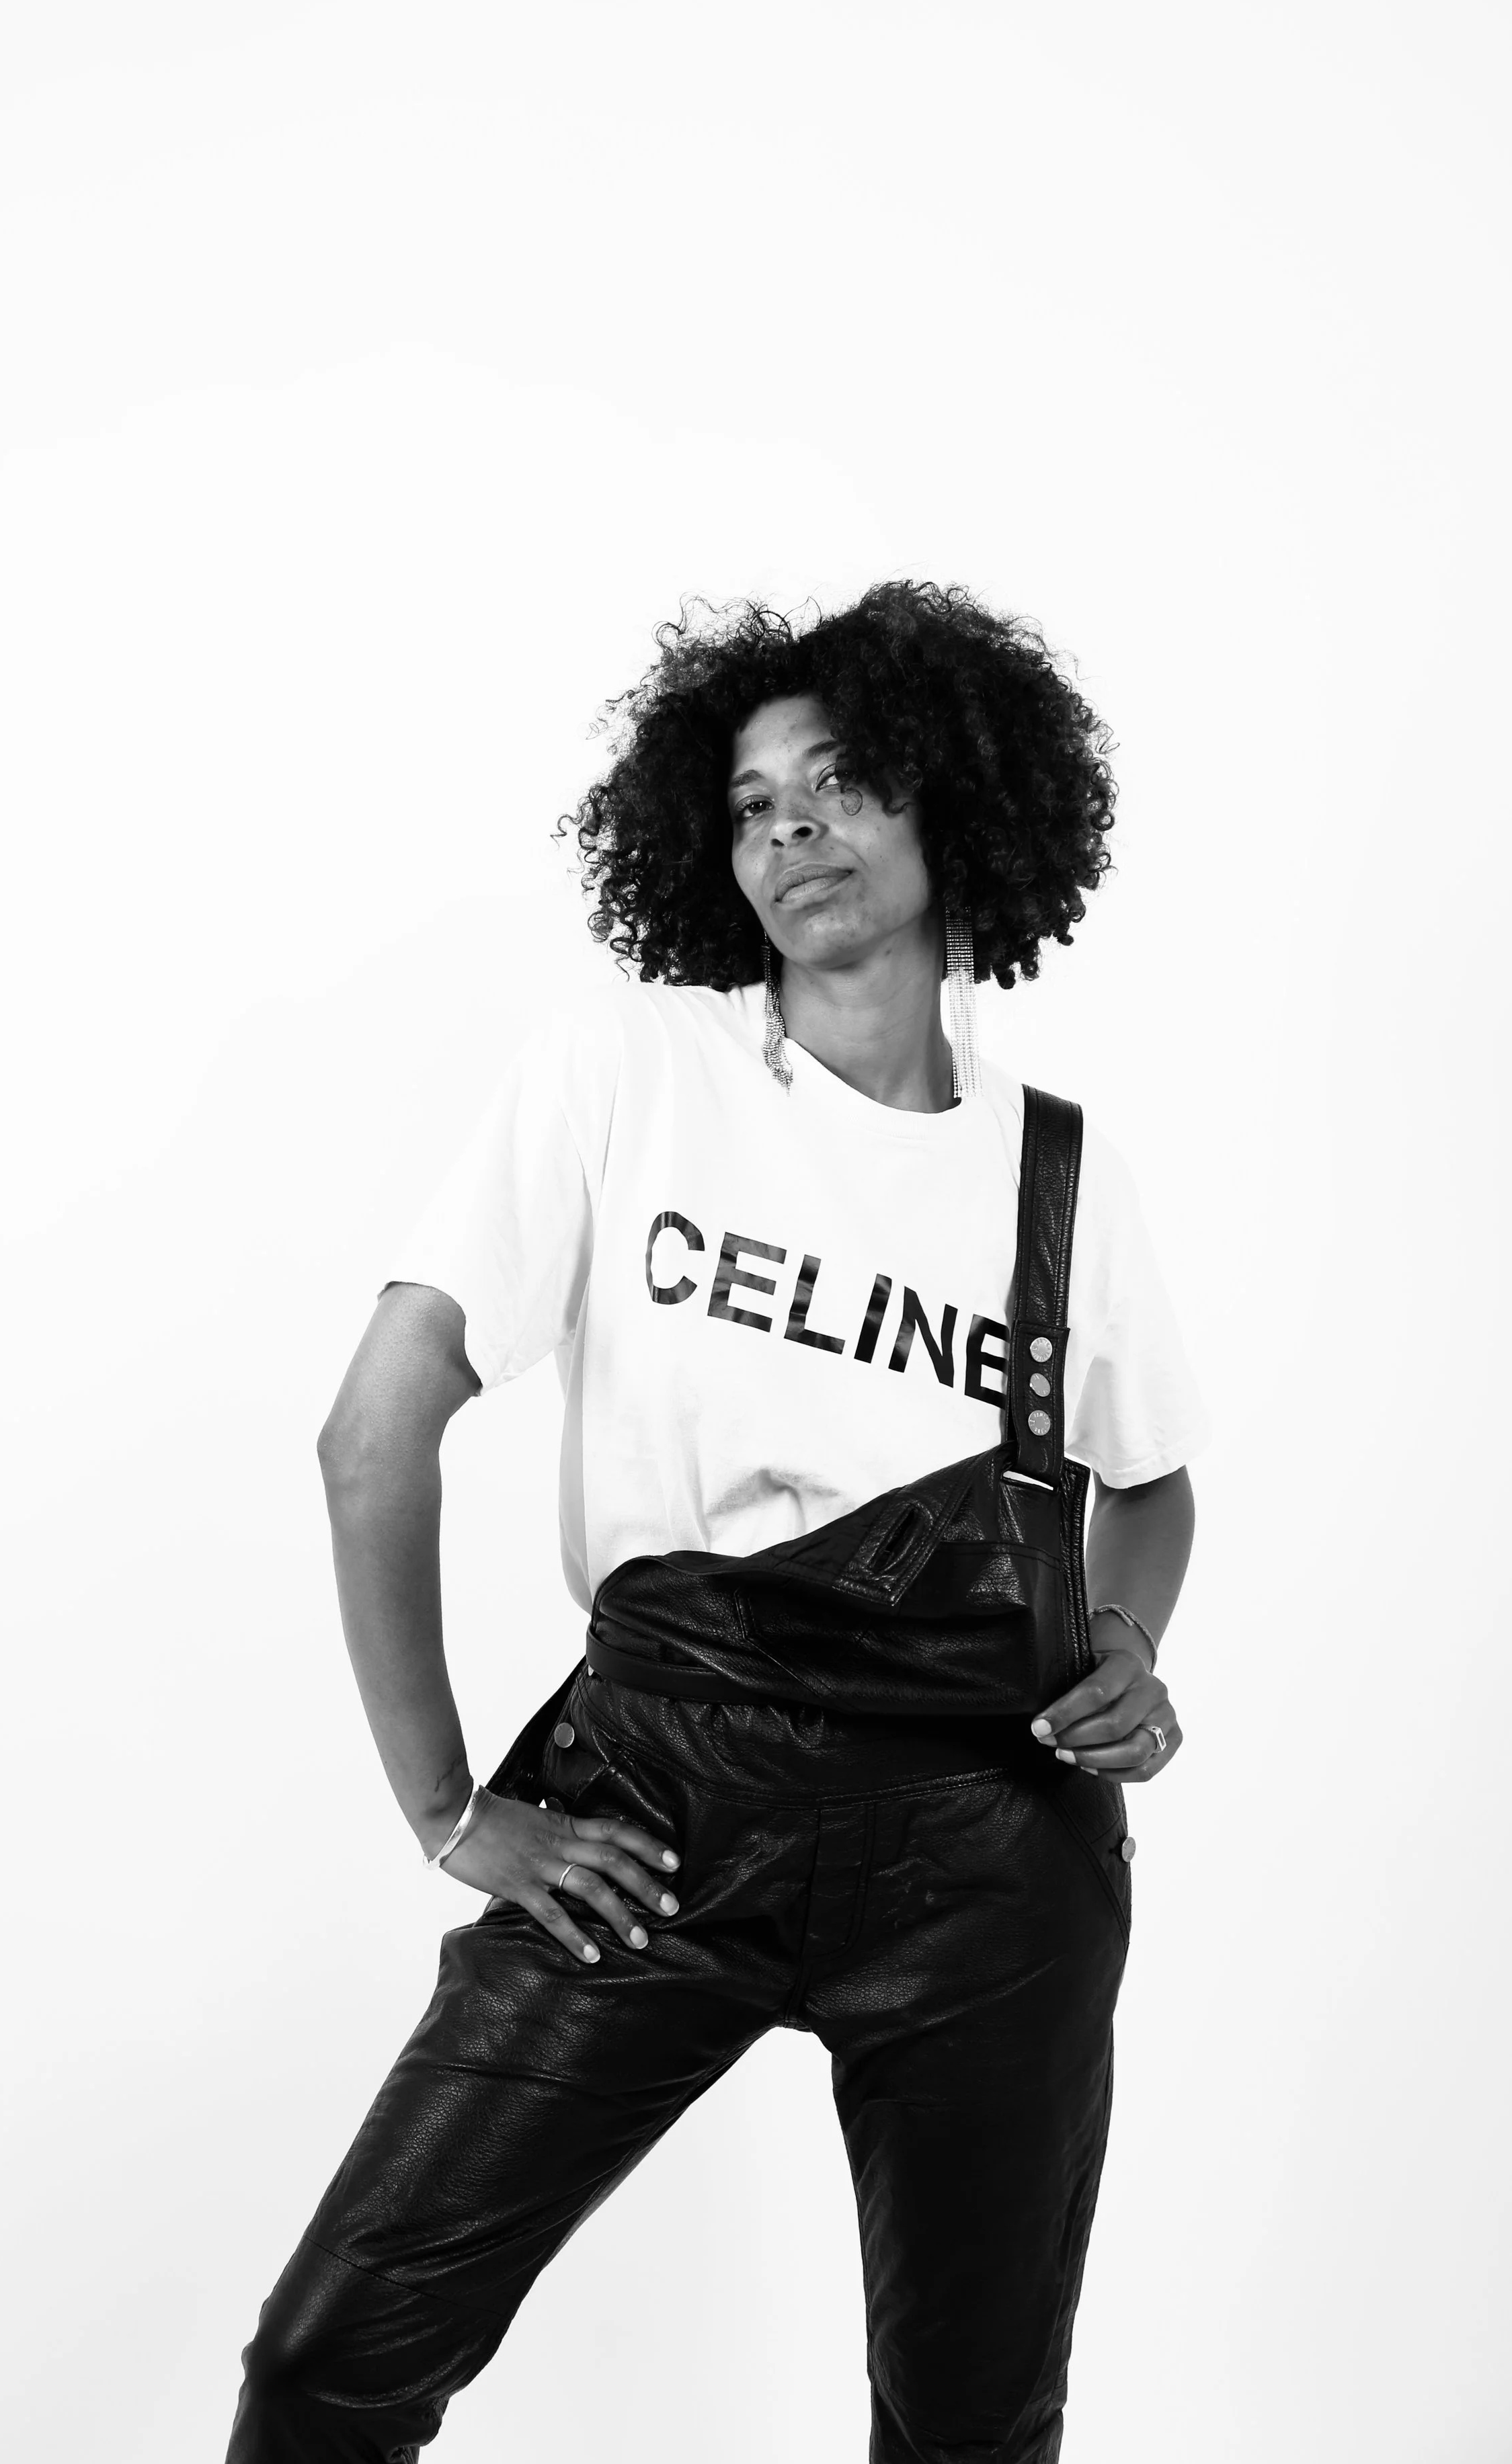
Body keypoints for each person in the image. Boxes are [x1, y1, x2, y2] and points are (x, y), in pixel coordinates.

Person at [225, 581, 1205, 2464]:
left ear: (961, 810)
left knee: (972, 2433)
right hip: (653, 1807)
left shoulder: (1054, 1169)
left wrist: (1128, 1645)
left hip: (989, 1845)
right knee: (331, 2361)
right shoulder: (628, 1073)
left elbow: (1144, 1482)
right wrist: (449, 1808)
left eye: (841, 781)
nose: (792, 829)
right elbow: (373, 1438)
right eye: (752, 802)